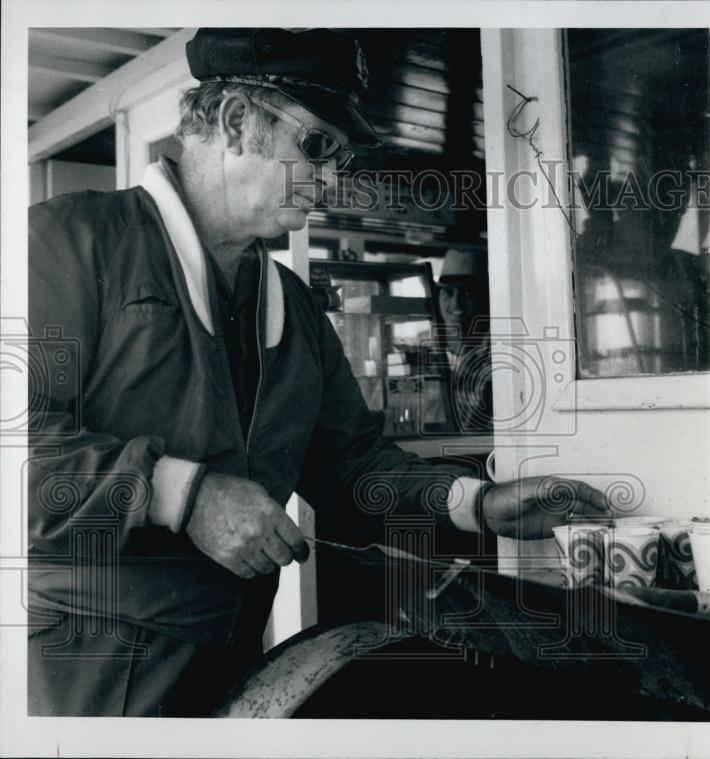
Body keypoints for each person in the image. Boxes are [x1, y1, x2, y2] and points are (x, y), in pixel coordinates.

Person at [26, 28, 609, 717]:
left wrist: (473, 503)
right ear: (235, 121)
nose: (332, 180)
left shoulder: (293, 307)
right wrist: (181, 493)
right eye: (317, 146)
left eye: (341, 156)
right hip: (78, 674)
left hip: (235, 662)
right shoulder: (64, 243)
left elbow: (347, 464)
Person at [435, 249, 493, 432]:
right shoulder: (426, 351)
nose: (456, 304)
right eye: (448, 293)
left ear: (483, 298)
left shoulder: (497, 356)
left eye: (467, 294)